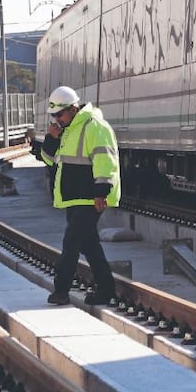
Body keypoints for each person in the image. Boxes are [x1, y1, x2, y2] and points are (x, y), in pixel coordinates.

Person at [40, 85, 121, 306]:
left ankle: (61, 291)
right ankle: (106, 289)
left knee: (71, 242)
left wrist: (101, 192)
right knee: (88, 244)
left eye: (60, 114)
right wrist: (52, 137)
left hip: (90, 197)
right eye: (54, 115)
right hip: (73, 197)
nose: (57, 119)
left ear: (74, 108)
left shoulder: (95, 126)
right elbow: (48, 159)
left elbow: (105, 161)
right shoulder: (66, 130)